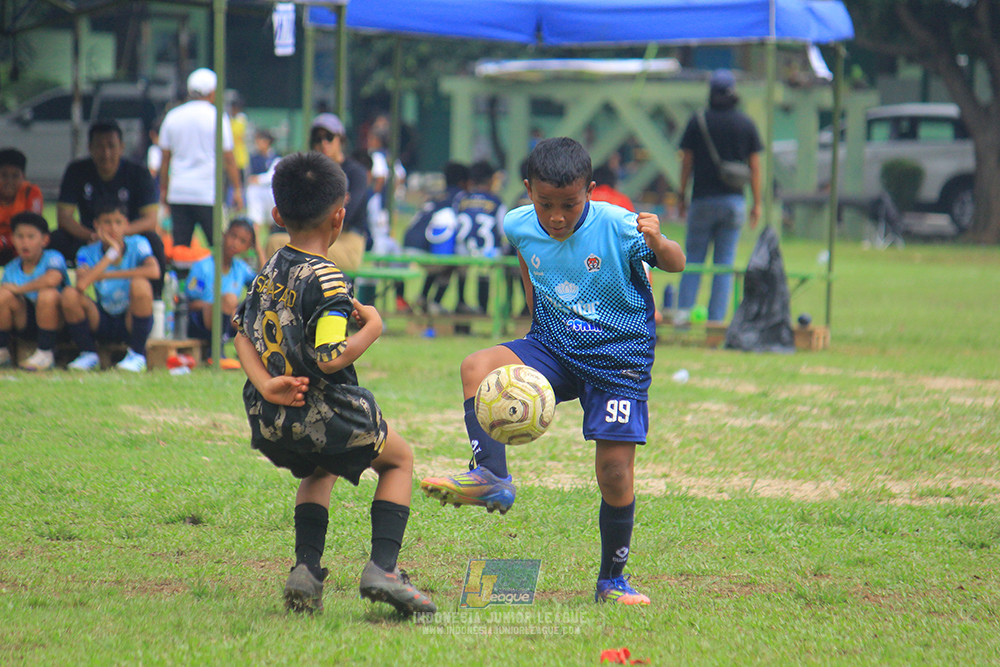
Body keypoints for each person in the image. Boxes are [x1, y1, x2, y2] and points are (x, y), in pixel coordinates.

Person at [420, 137, 685, 606]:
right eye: (545, 204)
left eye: (569, 204)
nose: (557, 216)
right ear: (528, 192)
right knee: (475, 366)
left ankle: (612, 580)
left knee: (615, 472)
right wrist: (538, 326)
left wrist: (658, 240)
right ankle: (491, 477)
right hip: (554, 345)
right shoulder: (518, 223)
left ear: (590, 191)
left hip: (617, 359)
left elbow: (675, 264)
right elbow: (529, 266)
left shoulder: (621, 227)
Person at [233, 151, 435, 616]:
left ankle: (305, 569)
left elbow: (240, 333)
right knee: (400, 460)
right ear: (340, 216)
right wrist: (373, 329)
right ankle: (383, 568)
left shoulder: (270, 266)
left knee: (318, 471)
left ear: (277, 216)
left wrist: (265, 386)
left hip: (273, 413)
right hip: (325, 410)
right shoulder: (328, 279)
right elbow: (329, 358)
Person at [675, 69, 762, 326]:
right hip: (734, 202)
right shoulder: (746, 124)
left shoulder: (698, 121)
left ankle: (682, 317)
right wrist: (756, 203)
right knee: (724, 264)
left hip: (702, 199)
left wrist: (682, 195)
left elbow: (686, 162)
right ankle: (715, 322)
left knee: (694, 260)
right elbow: (755, 167)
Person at [52, 120, 166, 299]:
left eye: (111, 146)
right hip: (90, 236)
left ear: (121, 147)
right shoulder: (76, 171)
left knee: (155, 242)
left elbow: (150, 220)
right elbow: (64, 217)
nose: (106, 154)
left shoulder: (139, 173)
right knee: (56, 238)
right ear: (90, 148)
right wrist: (92, 236)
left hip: (128, 238)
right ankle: (55, 294)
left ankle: (156, 298)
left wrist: (118, 234)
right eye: (99, 147)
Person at [60, 199, 160, 372]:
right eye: (107, 223)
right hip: (103, 317)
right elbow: (82, 284)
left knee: (141, 285)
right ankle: (88, 354)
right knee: (69, 294)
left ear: (126, 225)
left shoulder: (138, 244)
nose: (113, 228)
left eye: (118, 222)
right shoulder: (86, 251)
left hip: (130, 317)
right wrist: (111, 254)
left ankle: (137, 354)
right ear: (96, 225)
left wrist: (107, 275)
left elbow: (154, 271)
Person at [263, 114, 369, 273]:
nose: (323, 143)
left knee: (278, 245)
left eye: (329, 137)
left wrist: (312, 211)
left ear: (341, 139)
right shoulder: (310, 172)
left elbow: (345, 215)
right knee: (276, 242)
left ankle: (271, 296)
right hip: (312, 235)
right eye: (317, 139)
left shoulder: (356, 172)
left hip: (346, 241)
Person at [158, 68, 244, 249]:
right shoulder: (217, 117)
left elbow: (165, 159)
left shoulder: (173, 116)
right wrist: (236, 189)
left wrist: (164, 189)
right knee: (219, 247)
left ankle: (182, 277)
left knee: (180, 247)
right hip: (208, 193)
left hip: (179, 192)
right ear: (213, 92)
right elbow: (229, 158)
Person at [0, 212, 70, 371]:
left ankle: (45, 352)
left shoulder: (53, 257)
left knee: (48, 294)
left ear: (44, 240)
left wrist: (19, 289)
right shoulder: (11, 267)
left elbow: (53, 279)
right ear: (12, 239)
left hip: (57, 322)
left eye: (31, 237)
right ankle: (2, 350)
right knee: (3, 295)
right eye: (20, 236)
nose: (25, 242)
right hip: (26, 321)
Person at [402, 161, 468, 314]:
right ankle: (439, 302)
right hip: (426, 248)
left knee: (441, 262)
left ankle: (423, 296)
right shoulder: (460, 197)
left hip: (408, 243)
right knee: (456, 261)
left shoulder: (435, 196)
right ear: (464, 182)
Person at [183, 217, 257, 345]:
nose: (235, 243)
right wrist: (218, 306)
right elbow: (190, 304)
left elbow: (262, 283)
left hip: (228, 320)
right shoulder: (202, 266)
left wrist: (259, 249)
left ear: (247, 247)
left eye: (242, 241)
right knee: (230, 300)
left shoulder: (240, 268)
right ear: (224, 235)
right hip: (199, 321)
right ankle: (217, 349)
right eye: (233, 236)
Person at [450, 160, 506, 315]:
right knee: (485, 272)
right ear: (489, 180)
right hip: (488, 251)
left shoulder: (461, 198)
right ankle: (483, 308)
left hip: (462, 248)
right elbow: (502, 229)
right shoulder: (496, 201)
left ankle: (460, 302)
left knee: (461, 267)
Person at [0, 148, 45, 266]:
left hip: (20, 246)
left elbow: (34, 227)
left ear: (23, 177)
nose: (9, 181)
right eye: (4, 175)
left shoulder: (31, 193)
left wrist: (5, 241)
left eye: (15, 176)